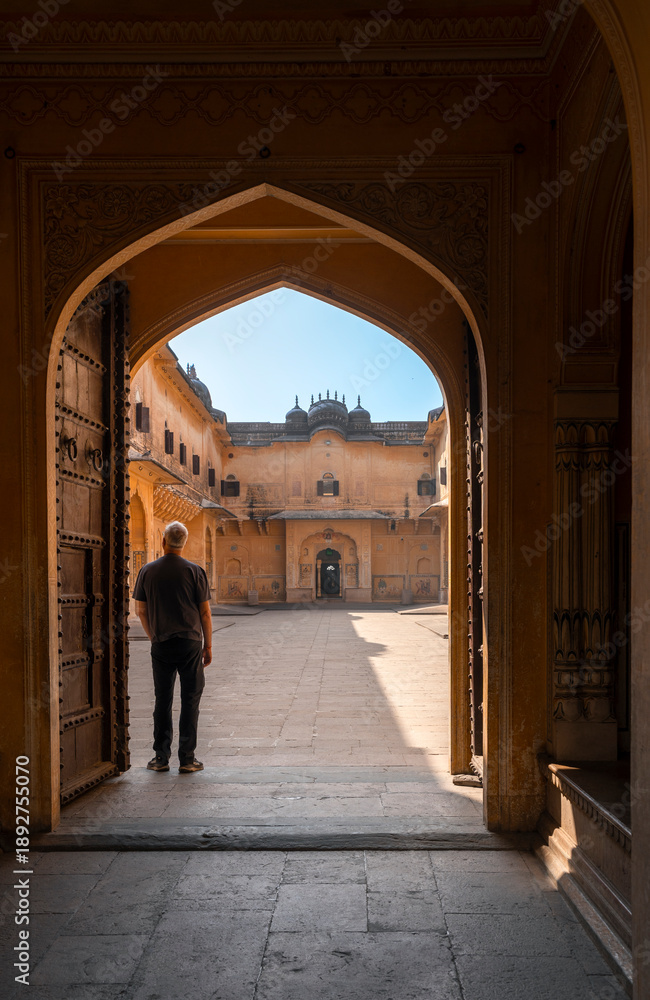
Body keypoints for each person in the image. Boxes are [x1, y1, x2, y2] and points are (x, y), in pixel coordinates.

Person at [133, 520, 212, 773]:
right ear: (184, 543)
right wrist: (208, 646)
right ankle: (187, 759)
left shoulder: (147, 570)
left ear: (163, 541)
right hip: (190, 643)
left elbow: (141, 610)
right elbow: (205, 613)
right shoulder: (195, 571)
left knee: (163, 699)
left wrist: (153, 637)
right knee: (190, 700)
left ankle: (160, 757)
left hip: (161, 643)